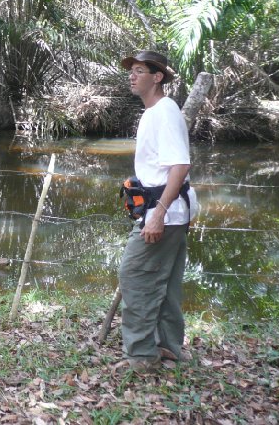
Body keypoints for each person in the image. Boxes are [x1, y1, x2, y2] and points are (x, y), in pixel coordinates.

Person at [116, 50, 197, 372]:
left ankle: (142, 356)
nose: (132, 76)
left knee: (134, 275)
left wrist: (158, 214)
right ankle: (169, 347)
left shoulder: (164, 111)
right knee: (165, 281)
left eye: (139, 71)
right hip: (171, 210)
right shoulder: (155, 111)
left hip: (167, 212)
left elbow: (180, 165)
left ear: (157, 77)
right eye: (131, 71)